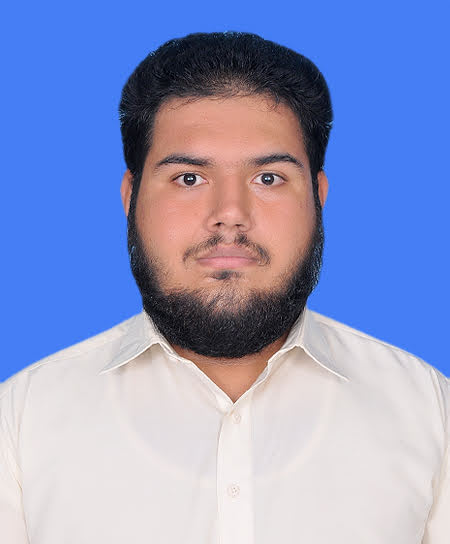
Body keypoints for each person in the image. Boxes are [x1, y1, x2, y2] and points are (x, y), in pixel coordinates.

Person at [1, 31, 448, 544]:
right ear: (130, 197)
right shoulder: (22, 421)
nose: (230, 214)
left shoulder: (429, 411)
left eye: (269, 178)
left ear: (318, 196)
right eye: (189, 178)